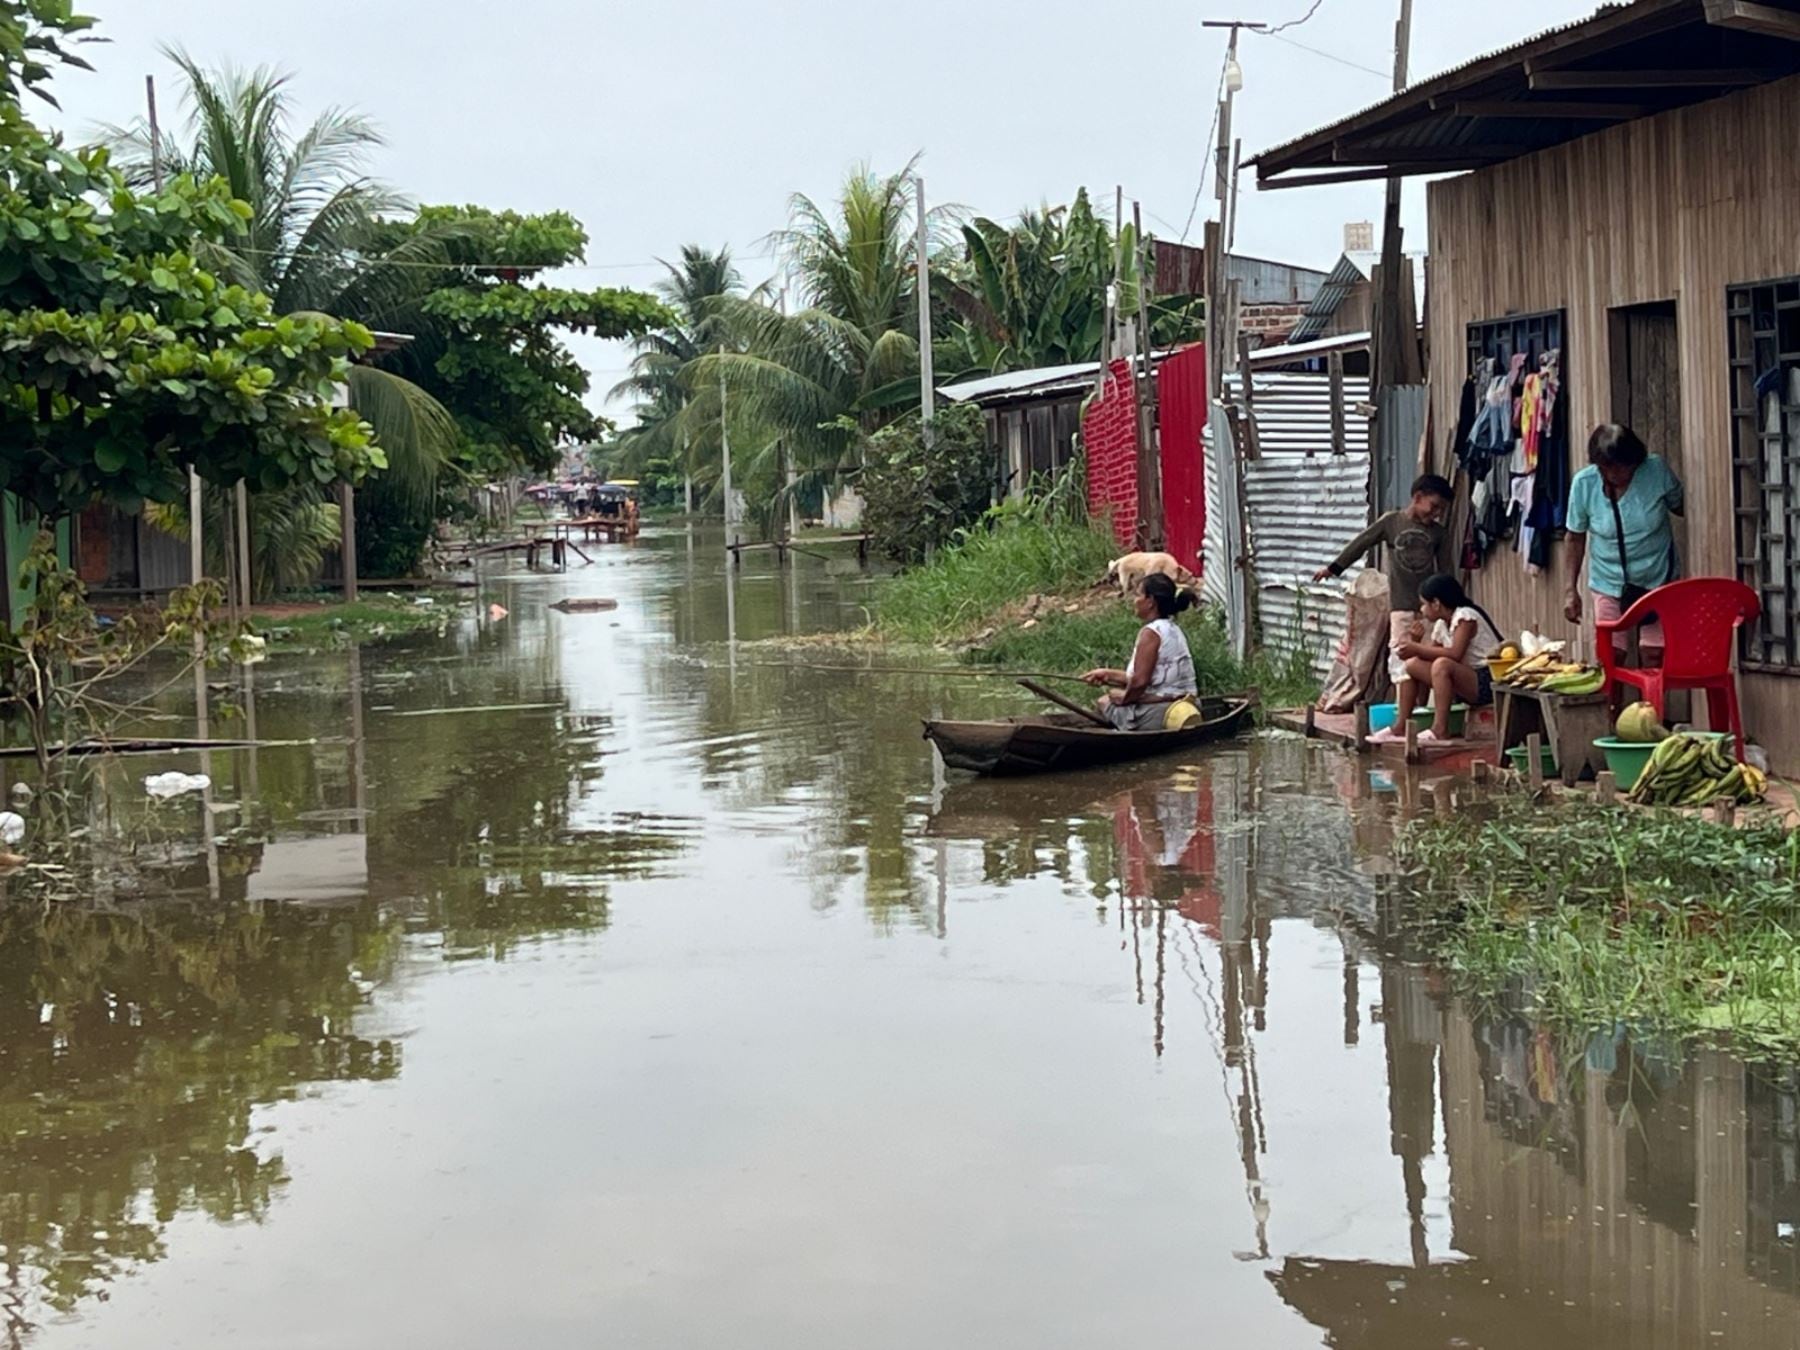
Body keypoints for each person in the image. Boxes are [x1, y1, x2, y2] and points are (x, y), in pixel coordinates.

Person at [1313, 474, 1454, 688]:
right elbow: (1362, 543)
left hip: (1430, 611)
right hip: (1401, 606)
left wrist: (1447, 608)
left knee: (1428, 659)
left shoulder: (1438, 533)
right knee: (1401, 662)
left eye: (1440, 510)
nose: (1436, 514)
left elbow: (1445, 571)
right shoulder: (1392, 522)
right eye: (1433, 506)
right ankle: (1405, 715)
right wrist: (1333, 568)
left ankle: (1423, 710)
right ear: (1417, 497)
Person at [1563, 423, 1684, 659]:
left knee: (1655, 652)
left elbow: (1681, 504)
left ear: (1635, 462)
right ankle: (1612, 698)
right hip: (1609, 579)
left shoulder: (1656, 471)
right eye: (1607, 468)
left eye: (1622, 467)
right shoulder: (1584, 484)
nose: (1615, 474)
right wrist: (1570, 590)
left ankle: (1653, 698)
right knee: (1611, 654)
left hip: (1657, 576)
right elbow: (1574, 538)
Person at [1369, 574, 1502, 745]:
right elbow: (1428, 657)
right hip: (1466, 680)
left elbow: (1454, 654)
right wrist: (1415, 643)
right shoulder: (1442, 625)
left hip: (1486, 680)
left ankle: (1440, 729)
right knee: (1412, 665)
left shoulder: (1465, 616)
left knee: (1442, 664)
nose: (1422, 609)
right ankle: (1400, 726)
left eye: (1424, 604)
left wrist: (1416, 648)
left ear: (1436, 604)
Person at [1080, 573, 1199, 730]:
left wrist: (1124, 699)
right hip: (1190, 706)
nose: (1134, 600)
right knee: (1114, 696)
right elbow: (1150, 678)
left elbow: (1140, 683)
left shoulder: (1151, 633)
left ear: (1150, 602)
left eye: (1138, 594)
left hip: (1167, 712)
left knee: (1104, 701)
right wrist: (1107, 674)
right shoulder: (1172, 628)